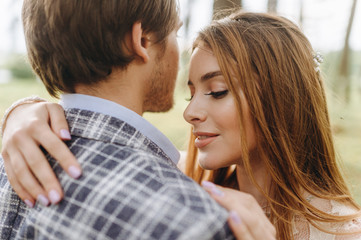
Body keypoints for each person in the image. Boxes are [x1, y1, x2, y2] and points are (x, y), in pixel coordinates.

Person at [2, 10, 361, 240]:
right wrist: (22, 110)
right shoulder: (184, 180)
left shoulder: (342, 230)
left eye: (217, 91)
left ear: (282, 97)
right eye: (192, 93)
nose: (190, 113)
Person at [0, 0, 236, 239]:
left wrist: (18, 109)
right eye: (175, 33)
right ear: (141, 41)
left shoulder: (11, 161)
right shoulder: (195, 221)